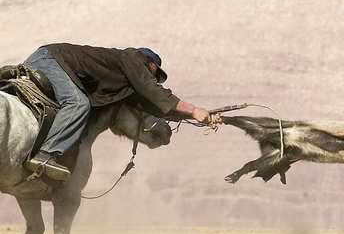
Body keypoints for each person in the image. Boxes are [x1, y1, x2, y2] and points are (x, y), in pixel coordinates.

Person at [22, 43, 222, 181]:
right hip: (51, 60)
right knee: (78, 104)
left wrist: (198, 116)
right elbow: (151, 90)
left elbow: (153, 104)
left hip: (53, 62)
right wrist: (194, 109)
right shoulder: (132, 58)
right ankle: (45, 154)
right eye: (155, 75)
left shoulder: (123, 82)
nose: (153, 79)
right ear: (151, 65)